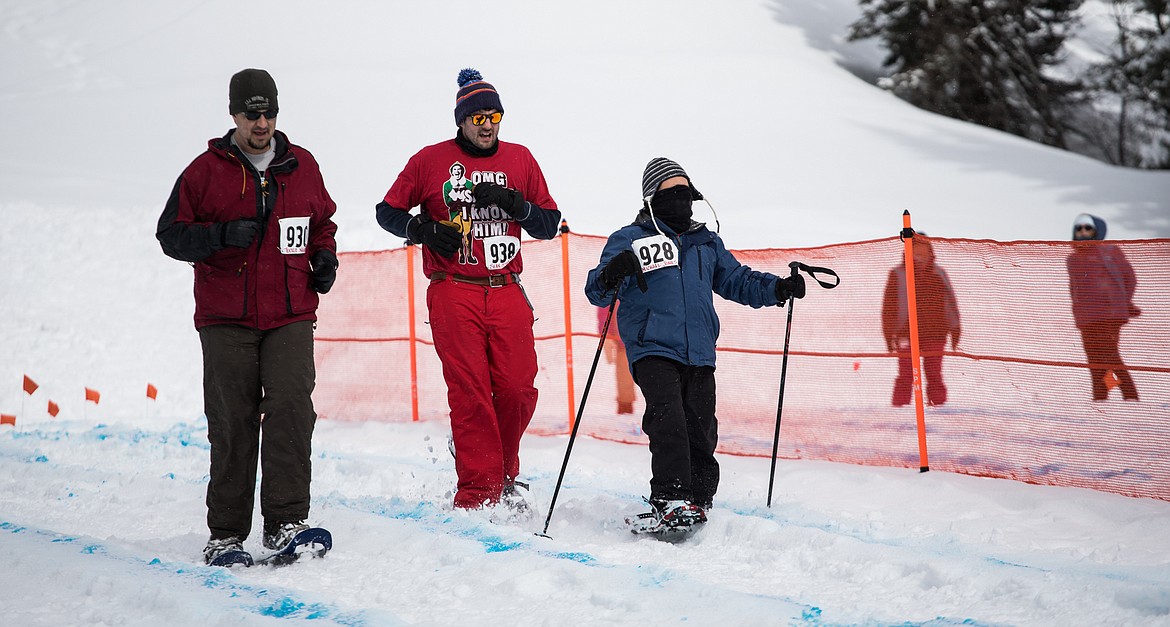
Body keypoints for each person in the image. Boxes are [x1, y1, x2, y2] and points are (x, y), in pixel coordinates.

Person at [156, 68, 338, 565]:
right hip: (227, 317)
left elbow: (322, 223)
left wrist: (325, 257)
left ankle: (285, 524)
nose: (261, 122)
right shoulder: (203, 172)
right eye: (252, 112)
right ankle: (226, 534)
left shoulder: (303, 165)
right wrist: (217, 237)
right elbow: (170, 234)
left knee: (292, 411)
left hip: (290, 311)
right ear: (233, 113)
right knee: (233, 421)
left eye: (269, 112)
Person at [375, 68, 561, 512]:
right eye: (476, 116)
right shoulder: (430, 160)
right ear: (460, 120)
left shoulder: (520, 160)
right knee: (471, 390)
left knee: (517, 388)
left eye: (493, 114)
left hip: (506, 287)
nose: (485, 123)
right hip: (453, 287)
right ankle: (479, 492)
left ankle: (502, 469)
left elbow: (550, 224)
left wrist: (519, 205)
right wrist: (422, 229)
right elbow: (386, 212)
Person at [584, 157, 804, 531]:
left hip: (700, 349)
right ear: (652, 198)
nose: (680, 200)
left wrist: (777, 288)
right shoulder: (631, 238)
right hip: (652, 346)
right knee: (668, 418)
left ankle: (699, 498)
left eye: (686, 193)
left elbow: (737, 280)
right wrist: (614, 270)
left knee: (701, 425)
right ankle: (669, 498)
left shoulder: (706, 242)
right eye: (671, 193)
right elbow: (597, 291)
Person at [1066, 213, 1140, 401]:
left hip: (1110, 314)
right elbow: (1074, 288)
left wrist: (1120, 301)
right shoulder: (1072, 259)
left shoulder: (1109, 251)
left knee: (1109, 356)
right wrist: (1077, 309)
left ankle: (1130, 396)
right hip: (1087, 317)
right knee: (1094, 359)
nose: (1083, 231)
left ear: (1096, 231)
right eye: (1079, 228)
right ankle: (1101, 396)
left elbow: (1129, 278)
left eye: (1087, 228)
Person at [880, 233, 960, 406]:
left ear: (931, 252)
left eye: (924, 252)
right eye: (915, 252)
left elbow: (950, 302)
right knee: (906, 373)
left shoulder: (939, 273)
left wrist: (955, 328)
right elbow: (888, 306)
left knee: (934, 373)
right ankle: (901, 409)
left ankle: (937, 407)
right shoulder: (897, 274)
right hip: (905, 333)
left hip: (936, 333)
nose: (920, 256)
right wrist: (888, 334)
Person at [597, 302, 636, 414]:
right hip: (624, 341)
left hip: (651, 341)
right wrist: (606, 335)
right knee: (625, 377)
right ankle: (625, 408)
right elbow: (604, 307)